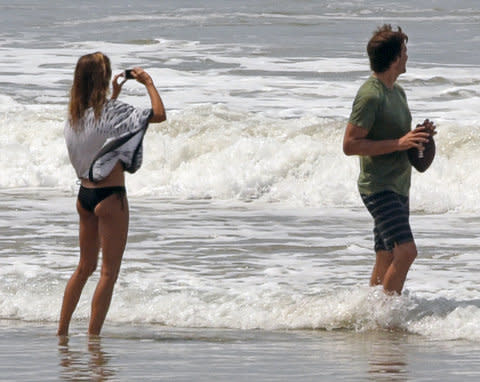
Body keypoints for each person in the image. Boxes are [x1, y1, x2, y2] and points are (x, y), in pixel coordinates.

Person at [58, 52, 166, 336]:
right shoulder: (111, 113)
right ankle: (93, 338)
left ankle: (62, 333)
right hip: (110, 197)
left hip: (84, 196)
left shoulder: (74, 116)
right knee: (108, 272)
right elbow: (158, 115)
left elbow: (100, 131)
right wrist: (148, 83)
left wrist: (114, 96)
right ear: (103, 79)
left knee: (84, 267)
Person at [343, 25, 435, 295]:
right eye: (404, 52)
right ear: (395, 58)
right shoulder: (370, 95)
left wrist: (419, 135)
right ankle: (386, 319)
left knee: (385, 254)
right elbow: (350, 145)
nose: (407, 56)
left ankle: (372, 315)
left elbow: (400, 137)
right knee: (406, 252)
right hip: (378, 186)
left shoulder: (397, 92)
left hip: (398, 184)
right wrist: (399, 143)